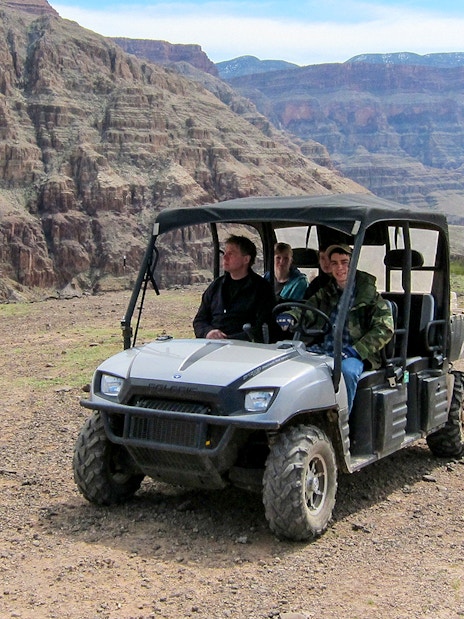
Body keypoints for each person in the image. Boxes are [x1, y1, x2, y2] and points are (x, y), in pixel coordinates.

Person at [277, 244, 394, 412]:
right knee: (291, 362)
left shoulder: (369, 296)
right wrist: (292, 316)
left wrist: (356, 351)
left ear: (353, 263)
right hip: (327, 348)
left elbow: (384, 328)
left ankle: (344, 421)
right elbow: (309, 309)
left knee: (347, 372)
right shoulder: (328, 292)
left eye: (344, 262)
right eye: (334, 263)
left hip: (355, 354)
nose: (340, 268)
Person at [193, 235, 275, 342]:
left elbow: (264, 327)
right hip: (212, 346)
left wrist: (228, 339)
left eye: (231, 254)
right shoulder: (216, 286)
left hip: (246, 349)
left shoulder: (262, 289)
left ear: (246, 259)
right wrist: (208, 332)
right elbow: (200, 320)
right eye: (224, 253)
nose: (225, 257)